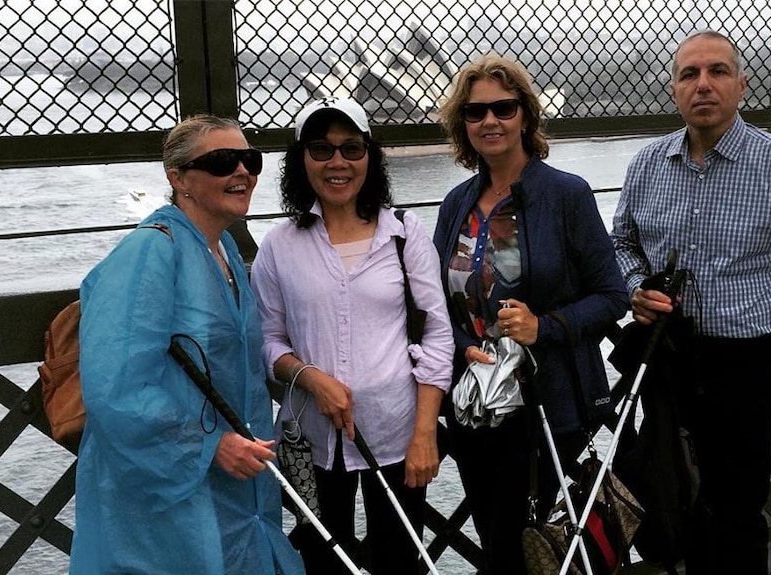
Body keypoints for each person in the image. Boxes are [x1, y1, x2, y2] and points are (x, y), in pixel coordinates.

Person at [610, 29, 771, 575]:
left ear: (741, 85)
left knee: (737, 504)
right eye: (690, 74)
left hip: (743, 359)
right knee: (671, 491)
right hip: (666, 356)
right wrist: (635, 288)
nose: (704, 85)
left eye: (717, 72)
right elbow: (621, 241)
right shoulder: (648, 164)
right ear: (674, 90)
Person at [70, 115, 304, 575]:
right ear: (177, 178)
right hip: (170, 498)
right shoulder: (148, 253)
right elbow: (116, 387)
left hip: (236, 490)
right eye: (221, 162)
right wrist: (211, 446)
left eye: (249, 160)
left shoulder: (226, 252)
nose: (242, 173)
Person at [433, 54, 629, 575]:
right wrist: (458, 349)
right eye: (476, 113)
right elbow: (434, 304)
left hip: (545, 403)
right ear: (463, 125)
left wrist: (546, 327)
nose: (490, 121)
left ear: (525, 115)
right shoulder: (457, 203)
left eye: (503, 107)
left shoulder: (566, 195)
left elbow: (613, 294)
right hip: (474, 403)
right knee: (497, 536)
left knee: (526, 545)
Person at [250, 97, 454, 574]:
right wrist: (308, 377)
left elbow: (438, 335)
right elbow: (266, 339)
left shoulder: (405, 232)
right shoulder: (280, 244)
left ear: (370, 156)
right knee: (319, 558)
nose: (337, 162)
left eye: (351, 148)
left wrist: (425, 432)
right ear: (301, 160)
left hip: (397, 431)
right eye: (320, 149)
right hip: (308, 439)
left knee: (401, 559)